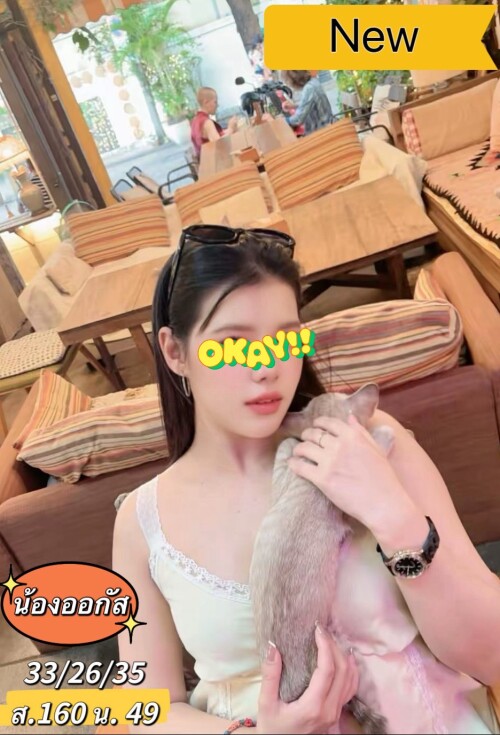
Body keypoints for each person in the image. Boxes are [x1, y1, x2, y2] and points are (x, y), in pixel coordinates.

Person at [114, 226, 500, 734]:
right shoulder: (142, 522)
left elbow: (491, 654)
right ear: (175, 351)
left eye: (286, 339)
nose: (268, 367)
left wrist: (393, 515)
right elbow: (147, 709)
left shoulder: (368, 439)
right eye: (232, 344)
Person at [190, 87, 239, 159]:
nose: (217, 105)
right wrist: (230, 128)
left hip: (203, 161)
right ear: (206, 102)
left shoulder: (194, 121)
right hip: (213, 162)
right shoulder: (207, 122)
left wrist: (229, 129)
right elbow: (219, 144)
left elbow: (212, 138)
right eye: (215, 102)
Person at [280, 70, 333, 135]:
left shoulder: (309, 88)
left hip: (321, 130)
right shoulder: (313, 82)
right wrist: (294, 106)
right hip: (327, 124)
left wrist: (282, 122)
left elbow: (298, 119)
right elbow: (310, 103)